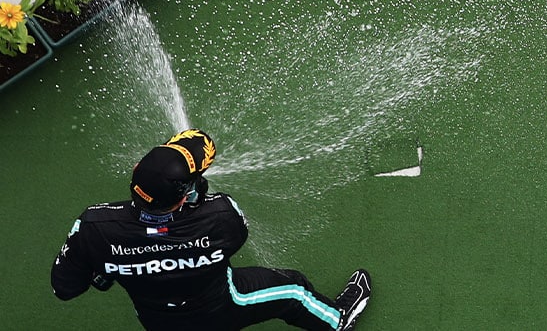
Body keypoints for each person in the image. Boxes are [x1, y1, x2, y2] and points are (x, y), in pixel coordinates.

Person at [51, 129, 371, 330]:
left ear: (135, 175)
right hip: (223, 306)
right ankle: (337, 320)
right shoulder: (220, 216)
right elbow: (237, 234)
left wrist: (105, 268)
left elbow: (65, 288)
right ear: (181, 200)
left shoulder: (94, 226)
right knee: (294, 289)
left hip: (159, 321)